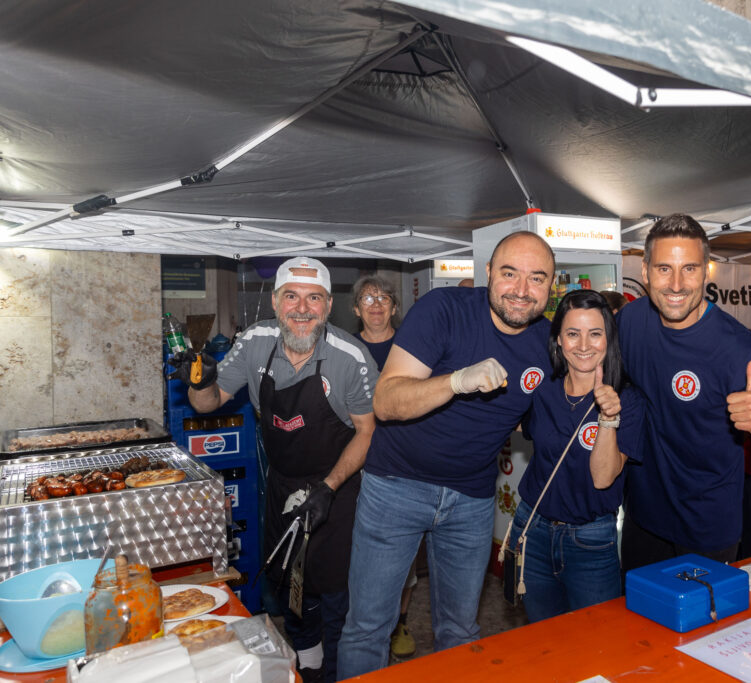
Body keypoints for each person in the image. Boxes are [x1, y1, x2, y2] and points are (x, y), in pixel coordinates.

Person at [339, 231, 555, 677]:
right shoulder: (445, 310)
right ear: (489, 273)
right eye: (510, 273)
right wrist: (457, 382)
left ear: (551, 287)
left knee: (460, 631)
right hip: (396, 486)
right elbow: (386, 401)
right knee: (368, 629)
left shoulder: (547, 342)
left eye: (537, 279)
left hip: (472, 499)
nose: (521, 289)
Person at [172, 257, 377, 683]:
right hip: (283, 486)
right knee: (291, 590)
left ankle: (337, 672)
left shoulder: (350, 357)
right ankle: (308, 666)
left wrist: (329, 486)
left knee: (336, 593)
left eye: (314, 298)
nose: (302, 309)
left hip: (338, 490)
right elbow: (206, 405)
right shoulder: (254, 342)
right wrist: (200, 382)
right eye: (292, 297)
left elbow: (367, 432)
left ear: (328, 306)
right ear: (275, 301)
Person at [617, 214, 751, 569]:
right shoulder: (630, 320)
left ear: (706, 272)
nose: (676, 284)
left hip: (706, 530)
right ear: (644, 272)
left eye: (689, 269)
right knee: (636, 622)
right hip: (643, 518)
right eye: (663, 269)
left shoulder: (738, 349)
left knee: (702, 627)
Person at [510, 290, 643, 622]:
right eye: (573, 333)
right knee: (542, 641)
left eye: (595, 333)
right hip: (533, 529)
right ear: (558, 340)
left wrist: (608, 419)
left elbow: (603, 477)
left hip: (590, 542)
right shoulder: (541, 389)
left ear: (608, 340)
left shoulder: (628, 400)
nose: (584, 344)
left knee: (597, 648)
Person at [350, 275, 418, 659]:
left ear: (394, 306)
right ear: (357, 308)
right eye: (367, 298)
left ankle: (400, 623)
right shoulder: (345, 348)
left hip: (400, 466)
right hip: (356, 463)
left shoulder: (410, 346)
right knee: (360, 554)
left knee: (402, 556)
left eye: (383, 298)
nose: (376, 304)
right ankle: (363, 623)